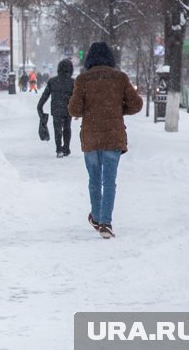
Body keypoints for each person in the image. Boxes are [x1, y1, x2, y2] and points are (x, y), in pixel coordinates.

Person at [68, 42, 142, 239]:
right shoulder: (120, 78)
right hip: (113, 136)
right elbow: (136, 104)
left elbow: (74, 110)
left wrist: (89, 109)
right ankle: (105, 222)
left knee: (94, 179)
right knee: (109, 180)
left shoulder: (83, 80)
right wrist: (118, 110)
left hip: (91, 137)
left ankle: (97, 215)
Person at [37, 59, 75, 158]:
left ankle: (59, 150)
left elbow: (44, 96)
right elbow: (77, 98)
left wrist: (40, 107)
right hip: (68, 109)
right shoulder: (73, 82)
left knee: (57, 129)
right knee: (67, 129)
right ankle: (66, 148)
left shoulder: (52, 81)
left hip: (56, 109)